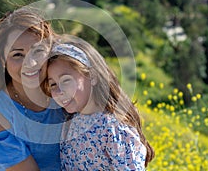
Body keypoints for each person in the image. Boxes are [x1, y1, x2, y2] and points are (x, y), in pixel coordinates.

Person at [0, 7, 65, 171]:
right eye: (17, 55)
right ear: (3, 60)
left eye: (38, 51)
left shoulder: (63, 94)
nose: (31, 63)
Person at [45, 36, 155, 170]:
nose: (59, 91)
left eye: (66, 80)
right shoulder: (69, 123)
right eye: (53, 84)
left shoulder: (113, 128)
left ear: (92, 76)